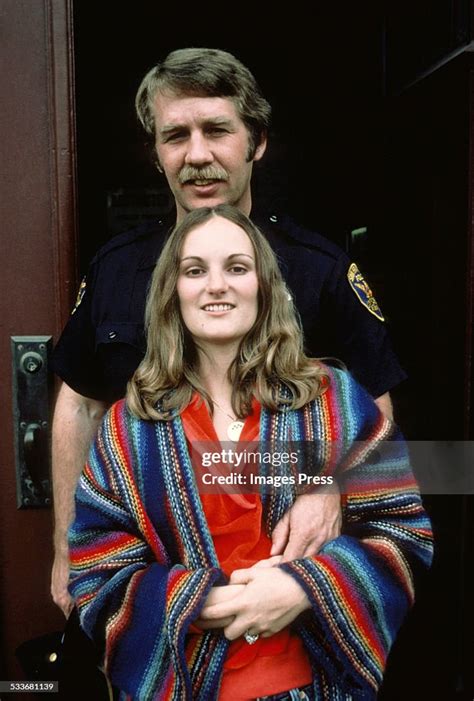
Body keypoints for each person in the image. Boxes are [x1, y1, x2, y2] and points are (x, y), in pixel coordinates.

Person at [52, 47, 406, 615]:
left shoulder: (319, 270)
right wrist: (68, 549)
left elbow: (378, 414)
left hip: (293, 578)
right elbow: (80, 405)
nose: (197, 155)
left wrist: (332, 486)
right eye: (176, 136)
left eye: (217, 130)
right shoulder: (116, 269)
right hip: (150, 584)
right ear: (156, 154)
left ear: (256, 142)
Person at [68, 205, 432, 700]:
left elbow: (403, 530)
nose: (216, 285)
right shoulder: (129, 429)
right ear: (171, 293)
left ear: (264, 286)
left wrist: (306, 586)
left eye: (236, 267)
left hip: (316, 689)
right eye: (195, 270)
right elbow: (96, 572)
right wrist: (199, 603)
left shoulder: (331, 401)